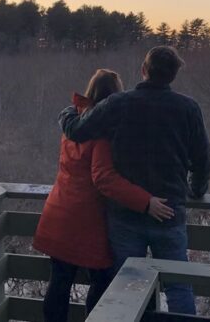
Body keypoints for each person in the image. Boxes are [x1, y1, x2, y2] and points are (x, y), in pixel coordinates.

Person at [58, 46, 210, 315]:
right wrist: (196, 191)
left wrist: (67, 113)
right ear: (173, 76)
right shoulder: (188, 108)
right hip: (170, 212)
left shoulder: (119, 103)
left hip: (125, 216)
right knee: (178, 287)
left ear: (144, 70)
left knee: (126, 287)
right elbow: (202, 160)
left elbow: (78, 131)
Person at [33, 69, 175, 322]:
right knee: (103, 280)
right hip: (85, 219)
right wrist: (145, 201)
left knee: (60, 282)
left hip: (58, 212)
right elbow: (104, 179)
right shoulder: (102, 134)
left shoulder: (73, 123)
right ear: (114, 97)